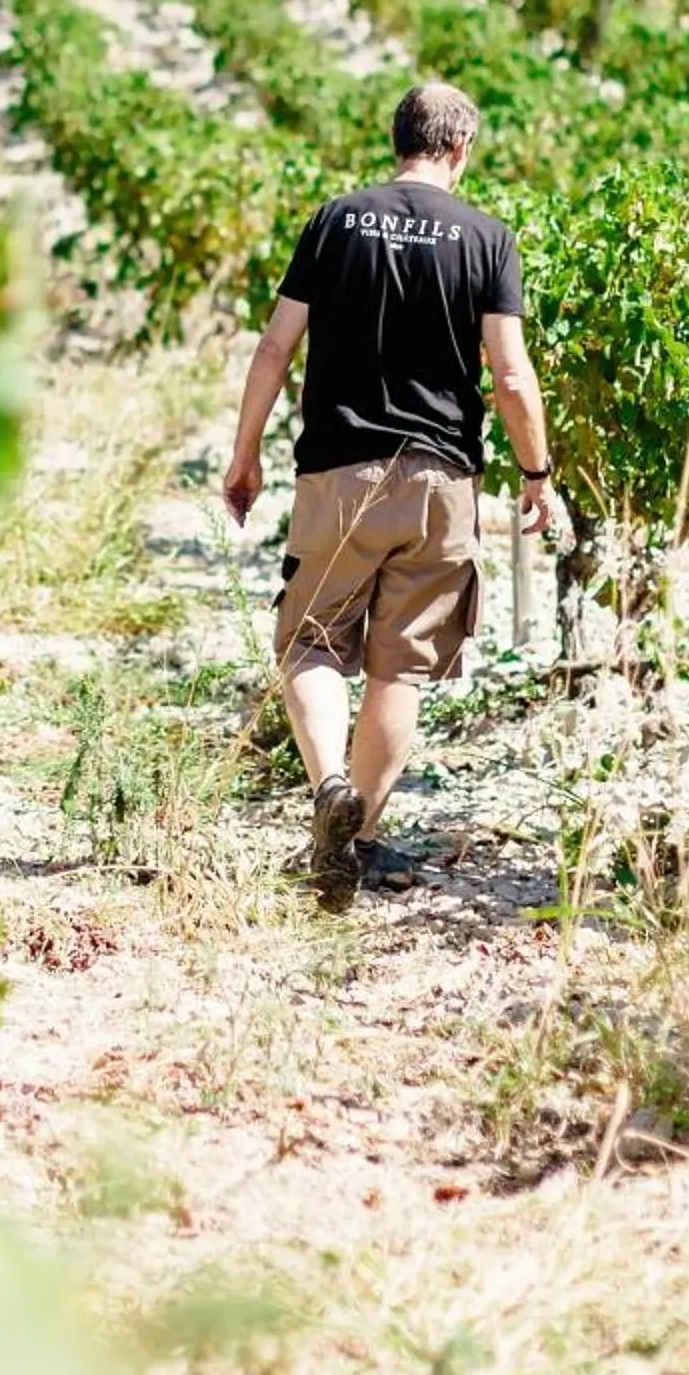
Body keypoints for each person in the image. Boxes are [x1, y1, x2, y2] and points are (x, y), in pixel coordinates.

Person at [222, 82, 555, 909]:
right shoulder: (487, 238)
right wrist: (537, 475)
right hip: (442, 481)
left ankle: (331, 785)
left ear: (398, 139)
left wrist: (245, 457)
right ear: (461, 150)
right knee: (399, 668)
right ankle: (359, 839)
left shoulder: (336, 219)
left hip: (339, 470)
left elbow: (274, 347)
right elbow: (510, 375)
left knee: (309, 642)